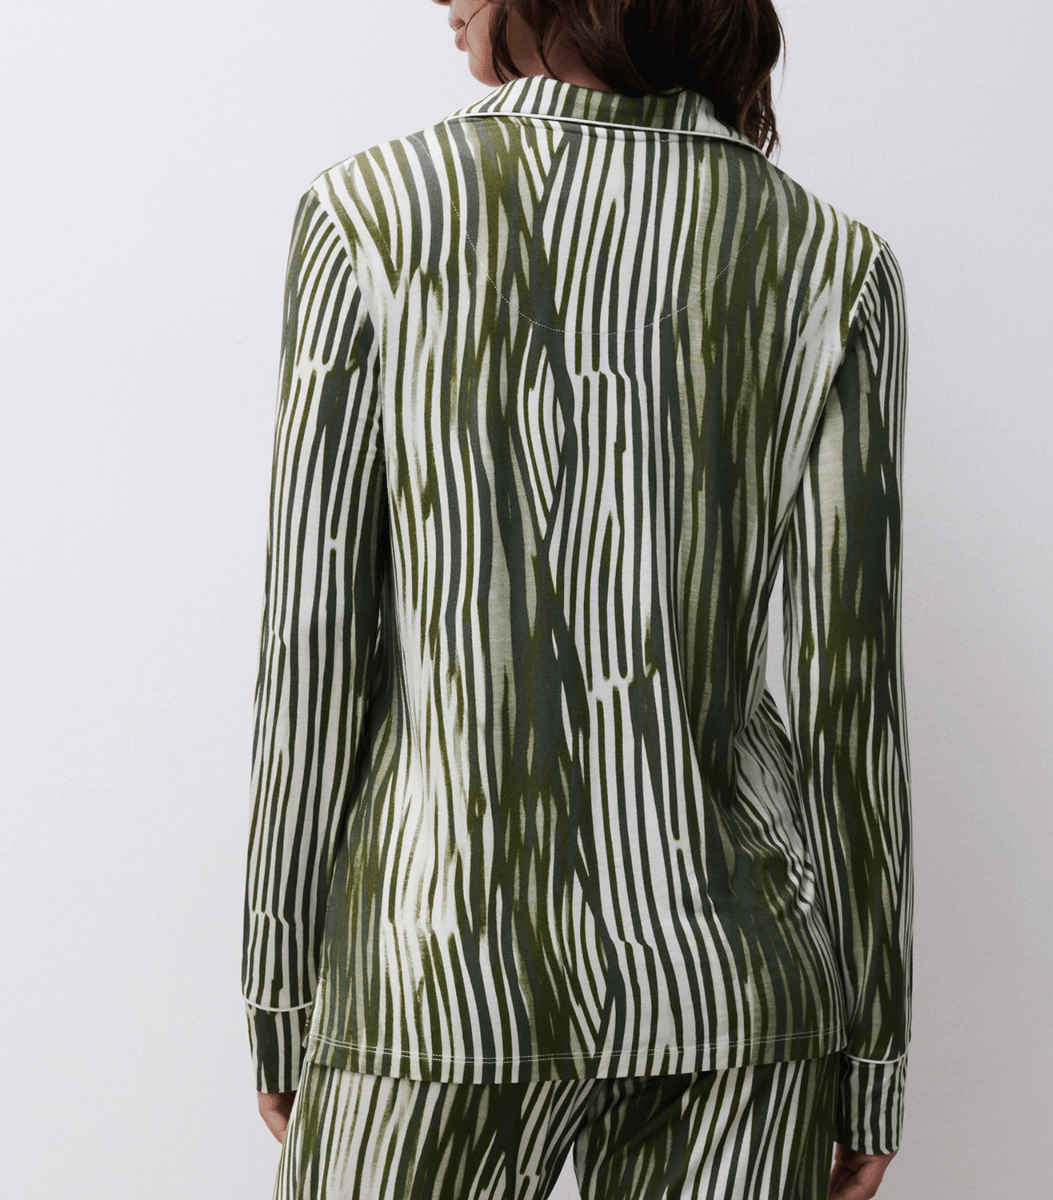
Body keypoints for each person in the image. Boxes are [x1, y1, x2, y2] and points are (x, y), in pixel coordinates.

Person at [241, 2, 913, 1197]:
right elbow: (847, 695)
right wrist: (872, 1051)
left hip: (434, 975)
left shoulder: (374, 211)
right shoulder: (832, 259)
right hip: (737, 987)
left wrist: (280, 990)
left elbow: (314, 647)